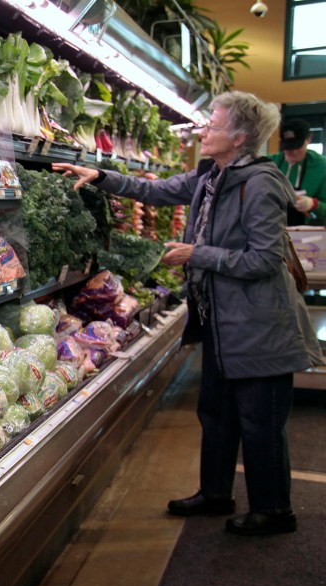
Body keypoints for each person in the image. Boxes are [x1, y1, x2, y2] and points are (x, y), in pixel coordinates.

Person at [52, 91, 324, 537]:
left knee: (260, 422)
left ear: (238, 137)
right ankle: (216, 492)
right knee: (216, 412)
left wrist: (199, 254)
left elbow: (263, 259)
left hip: (260, 325)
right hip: (221, 319)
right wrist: (99, 174)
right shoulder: (212, 175)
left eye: (212, 125)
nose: (203, 131)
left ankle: (274, 511)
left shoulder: (259, 184)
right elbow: (156, 191)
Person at [269, 118, 326, 225]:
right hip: (273, 228)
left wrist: (313, 204)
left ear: (309, 139)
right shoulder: (269, 163)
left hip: (307, 234)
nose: (293, 152)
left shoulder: (322, 166)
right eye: (289, 147)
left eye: (298, 146)